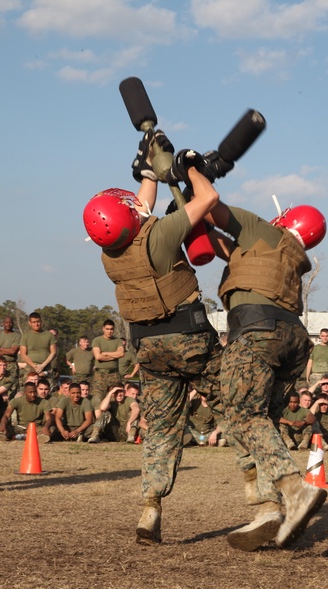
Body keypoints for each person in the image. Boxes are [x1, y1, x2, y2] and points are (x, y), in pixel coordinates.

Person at [85, 134, 223, 546]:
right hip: (190, 339)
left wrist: (150, 169)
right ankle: (264, 492)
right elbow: (209, 198)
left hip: (149, 349)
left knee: (161, 429)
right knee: (238, 405)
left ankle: (151, 507)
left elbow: (136, 212)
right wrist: (190, 168)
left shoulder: (110, 252)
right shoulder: (160, 236)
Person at [206, 197, 328, 551]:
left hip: (257, 330)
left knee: (244, 415)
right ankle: (270, 511)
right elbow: (227, 249)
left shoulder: (264, 232)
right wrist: (192, 222)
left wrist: (190, 178)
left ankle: (295, 490)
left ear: (285, 220)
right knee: (265, 424)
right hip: (292, 338)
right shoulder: (288, 256)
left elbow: (212, 206)